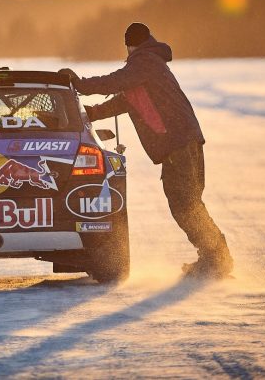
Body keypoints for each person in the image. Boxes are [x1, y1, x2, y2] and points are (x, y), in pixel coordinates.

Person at [59, 22, 233, 278]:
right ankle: (214, 257)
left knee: (186, 205)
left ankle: (217, 260)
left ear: (130, 44)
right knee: (187, 204)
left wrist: (79, 84)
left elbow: (116, 82)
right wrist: (93, 113)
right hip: (182, 143)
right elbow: (128, 100)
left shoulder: (145, 62)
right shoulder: (150, 63)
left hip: (180, 144)